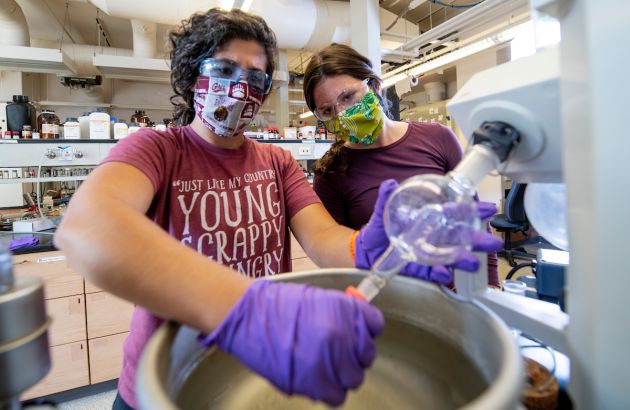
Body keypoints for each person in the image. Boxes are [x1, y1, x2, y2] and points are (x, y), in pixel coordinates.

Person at [55, 10, 499, 410]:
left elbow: (327, 240)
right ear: (194, 77)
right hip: (169, 376)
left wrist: (371, 246)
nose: (240, 85)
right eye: (224, 69)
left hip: (262, 367)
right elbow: (88, 227)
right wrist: (246, 309)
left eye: (255, 76)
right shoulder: (157, 150)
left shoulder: (276, 162)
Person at [303, 43, 500, 287]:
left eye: (347, 96)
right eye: (328, 110)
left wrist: (491, 285)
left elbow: (473, 220)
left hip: (453, 290)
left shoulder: (438, 138)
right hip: (389, 299)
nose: (343, 113)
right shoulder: (331, 174)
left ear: (374, 86)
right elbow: (338, 261)